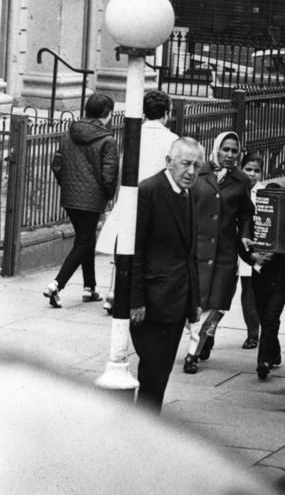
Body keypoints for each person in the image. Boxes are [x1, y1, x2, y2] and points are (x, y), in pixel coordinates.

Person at [129, 137, 203, 412]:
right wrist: (136, 300)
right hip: (152, 301)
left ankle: (147, 427)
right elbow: (133, 250)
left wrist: (194, 301)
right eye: (186, 163)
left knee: (160, 374)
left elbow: (189, 252)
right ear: (169, 162)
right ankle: (144, 430)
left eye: (197, 165)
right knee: (153, 372)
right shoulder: (148, 191)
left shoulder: (189, 194)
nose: (192, 172)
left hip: (177, 300)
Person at [98, 89, 179, 311]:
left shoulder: (134, 135)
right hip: (157, 200)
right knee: (148, 249)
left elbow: (124, 167)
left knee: (124, 244)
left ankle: (114, 291)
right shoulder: (173, 140)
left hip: (130, 195)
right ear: (166, 113)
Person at [184, 131, 254, 375]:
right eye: (226, 149)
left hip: (224, 252)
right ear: (216, 149)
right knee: (194, 304)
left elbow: (246, 212)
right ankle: (202, 339)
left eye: (235, 151)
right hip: (196, 250)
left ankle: (193, 352)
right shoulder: (198, 173)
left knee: (217, 304)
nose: (230, 155)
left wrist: (245, 234)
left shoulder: (241, 181)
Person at [45, 92, 119, 308]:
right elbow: (109, 176)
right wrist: (107, 196)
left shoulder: (69, 133)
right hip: (92, 199)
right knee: (84, 242)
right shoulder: (107, 140)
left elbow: (57, 164)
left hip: (70, 197)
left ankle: (90, 287)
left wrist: (68, 186)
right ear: (106, 114)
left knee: (86, 239)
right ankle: (56, 284)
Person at [249, 183, 285, 381]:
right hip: (261, 277)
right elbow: (242, 244)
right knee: (265, 318)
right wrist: (254, 256)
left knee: (270, 317)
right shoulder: (255, 220)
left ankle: (263, 361)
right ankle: (274, 352)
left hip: (281, 279)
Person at [237, 153, 265, 351]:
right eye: (248, 169)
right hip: (233, 244)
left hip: (252, 247)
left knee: (250, 291)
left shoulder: (262, 193)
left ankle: (253, 333)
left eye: (256, 171)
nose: (252, 174)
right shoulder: (235, 188)